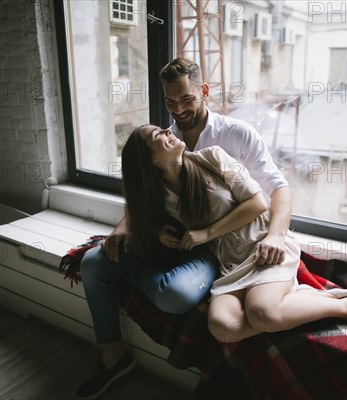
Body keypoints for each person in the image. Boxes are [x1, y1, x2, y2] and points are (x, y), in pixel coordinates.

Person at [76, 57, 293, 400]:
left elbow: (277, 188)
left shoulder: (235, 136)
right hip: (172, 237)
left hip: (215, 247)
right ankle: (112, 355)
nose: (178, 111)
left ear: (204, 92)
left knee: (176, 294)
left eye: (187, 100)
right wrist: (124, 227)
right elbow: (144, 192)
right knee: (92, 263)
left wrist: (277, 235)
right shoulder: (166, 139)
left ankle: (137, 275)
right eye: (170, 102)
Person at [122, 124, 347, 344]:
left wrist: (207, 233)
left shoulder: (214, 156)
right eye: (159, 135)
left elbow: (258, 203)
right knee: (223, 327)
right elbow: (139, 214)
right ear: (153, 160)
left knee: (263, 314)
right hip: (230, 263)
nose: (169, 130)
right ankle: (307, 297)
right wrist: (157, 231)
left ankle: (346, 307)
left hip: (261, 245)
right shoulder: (160, 197)